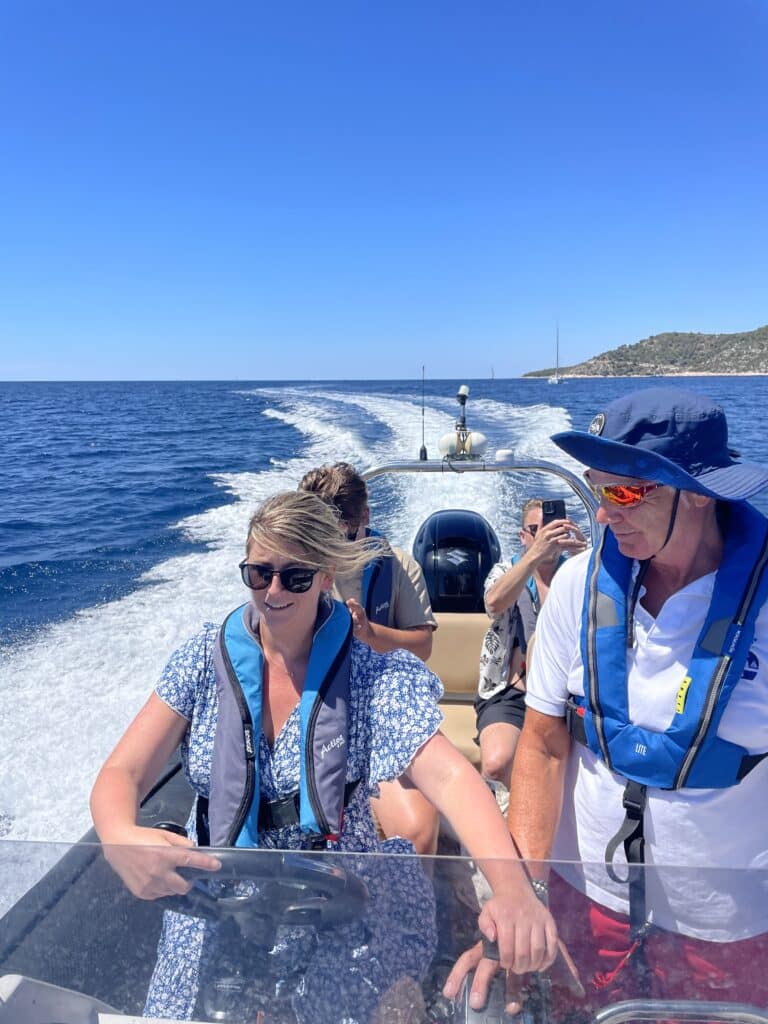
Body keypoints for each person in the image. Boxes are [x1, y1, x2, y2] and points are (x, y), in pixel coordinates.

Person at [91, 490, 556, 1023]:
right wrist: (116, 834)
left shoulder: (370, 675)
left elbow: (451, 778)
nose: (273, 591)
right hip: (217, 902)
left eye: (295, 576)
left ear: (326, 575)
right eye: (258, 573)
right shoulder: (202, 660)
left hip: (336, 903)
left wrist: (514, 890)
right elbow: (122, 772)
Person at [445, 386, 768, 1015]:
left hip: (726, 923)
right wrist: (524, 893)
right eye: (597, 489)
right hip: (582, 901)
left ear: (698, 492)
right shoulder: (575, 585)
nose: (601, 513)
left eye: (623, 492)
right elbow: (541, 744)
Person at [299, 462, 440, 855]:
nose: (332, 549)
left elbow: (423, 646)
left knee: (418, 832)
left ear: (365, 516)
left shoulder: (398, 567)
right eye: (320, 536)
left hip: (379, 714)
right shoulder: (292, 573)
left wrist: (368, 633)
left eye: (340, 536)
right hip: (310, 712)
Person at [475, 498, 586, 790]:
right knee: (496, 764)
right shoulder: (505, 571)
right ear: (523, 536)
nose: (544, 535)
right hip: (511, 691)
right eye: (535, 529)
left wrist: (591, 559)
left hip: (566, 698)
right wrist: (534, 556)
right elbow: (493, 602)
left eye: (549, 527)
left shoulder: (579, 571)